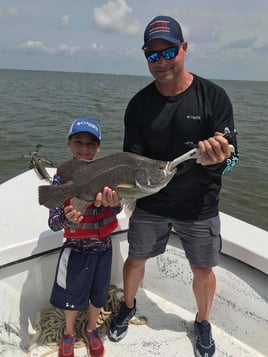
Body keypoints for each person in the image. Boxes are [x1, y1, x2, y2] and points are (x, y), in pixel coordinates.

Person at [108, 15, 239, 357]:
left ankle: (203, 321)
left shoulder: (213, 97)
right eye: (153, 55)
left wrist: (220, 159)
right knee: (136, 257)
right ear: (145, 57)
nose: (161, 61)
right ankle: (129, 305)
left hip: (199, 204)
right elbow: (130, 163)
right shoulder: (139, 106)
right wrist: (114, 194)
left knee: (202, 268)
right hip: (150, 202)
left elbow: (236, 157)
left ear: (184, 48)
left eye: (168, 52)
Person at [48, 117, 122, 357]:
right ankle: (69, 333)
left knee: (98, 295)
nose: (84, 148)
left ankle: (91, 329)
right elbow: (53, 222)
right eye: (78, 142)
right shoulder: (61, 177)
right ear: (69, 143)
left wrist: (114, 204)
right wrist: (67, 219)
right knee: (72, 299)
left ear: (98, 148)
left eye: (90, 144)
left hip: (103, 247)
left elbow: (116, 209)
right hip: (76, 249)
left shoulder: (107, 173)